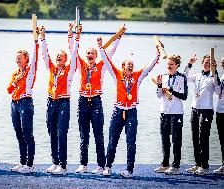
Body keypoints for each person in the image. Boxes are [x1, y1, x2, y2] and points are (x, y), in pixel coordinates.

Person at [98, 37, 160, 178]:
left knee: (131, 142)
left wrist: (157, 54)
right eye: (129, 64)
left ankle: (129, 170)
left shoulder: (138, 76)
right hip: (118, 111)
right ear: (123, 66)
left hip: (131, 111)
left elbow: (149, 66)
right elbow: (106, 61)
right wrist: (101, 47)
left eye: (132, 64)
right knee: (112, 140)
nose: (131, 66)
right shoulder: (116, 74)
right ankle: (107, 167)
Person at [68, 22, 125, 175]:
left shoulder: (102, 65)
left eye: (93, 53)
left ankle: (101, 165)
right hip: (82, 102)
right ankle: (83, 164)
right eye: (88, 53)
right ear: (86, 56)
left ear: (96, 55)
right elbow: (73, 50)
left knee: (98, 135)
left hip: (96, 102)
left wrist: (118, 37)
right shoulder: (80, 65)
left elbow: (111, 52)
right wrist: (72, 32)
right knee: (83, 135)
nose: (90, 55)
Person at [39, 25, 80, 175]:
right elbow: (44, 54)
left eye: (61, 57)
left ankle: (63, 166)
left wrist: (76, 37)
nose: (58, 58)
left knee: (61, 133)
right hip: (51, 101)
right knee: (52, 132)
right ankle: (55, 162)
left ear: (65, 59)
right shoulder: (52, 68)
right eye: (57, 56)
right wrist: (42, 37)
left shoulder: (70, 69)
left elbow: (75, 53)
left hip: (63, 102)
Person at [7, 29, 39, 174]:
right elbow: (8, 90)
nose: (17, 60)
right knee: (18, 134)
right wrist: (16, 81)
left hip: (25, 102)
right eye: (16, 58)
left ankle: (30, 164)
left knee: (27, 134)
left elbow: (35, 58)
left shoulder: (30, 70)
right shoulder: (15, 72)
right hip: (14, 103)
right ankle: (22, 162)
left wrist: (36, 42)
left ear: (26, 59)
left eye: (20, 58)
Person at [154, 55, 188, 175]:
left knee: (176, 140)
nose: (169, 66)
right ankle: (165, 164)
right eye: (168, 64)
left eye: (171, 64)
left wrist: (171, 90)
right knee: (164, 140)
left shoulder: (182, 77)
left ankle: (176, 166)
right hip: (164, 112)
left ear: (177, 65)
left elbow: (184, 96)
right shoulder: (163, 77)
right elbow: (158, 95)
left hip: (176, 113)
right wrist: (159, 85)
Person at [184, 55, 218, 175]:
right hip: (195, 109)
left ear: (212, 65)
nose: (206, 64)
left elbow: (218, 91)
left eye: (209, 63)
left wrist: (215, 74)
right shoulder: (198, 75)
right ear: (202, 63)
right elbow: (185, 77)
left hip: (206, 110)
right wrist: (190, 63)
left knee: (203, 138)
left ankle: (205, 166)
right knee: (195, 138)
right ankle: (198, 164)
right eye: (205, 62)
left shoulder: (213, 77)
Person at [213, 57, 224, 175]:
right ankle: (223, 165)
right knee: (222, 140)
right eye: (222, 62)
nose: (222, 64)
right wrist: (214, 71)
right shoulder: (222, 75)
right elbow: (218, 91)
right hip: (220, 111)